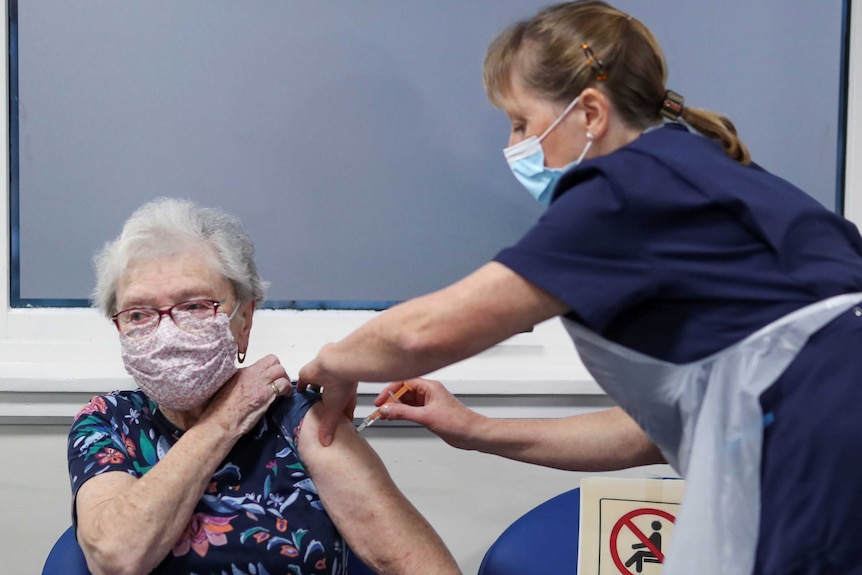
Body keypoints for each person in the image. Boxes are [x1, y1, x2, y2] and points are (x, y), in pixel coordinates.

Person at [297, 2, 862, 574]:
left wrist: (334, 366)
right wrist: (475, 430)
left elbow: (426, 332)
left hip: (817, 449)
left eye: (520, 122)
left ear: (590, 112)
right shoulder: (712, 174)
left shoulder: (626, 189)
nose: (514, 145)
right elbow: (650, 433)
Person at [67, 198, 460, 575]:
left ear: (244, 319)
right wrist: (227, 417)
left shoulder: (297, 418)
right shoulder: (108, 423)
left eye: (195, 306)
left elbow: (419, 564)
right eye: (139, 313)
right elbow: (116, 555)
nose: (168, 333)